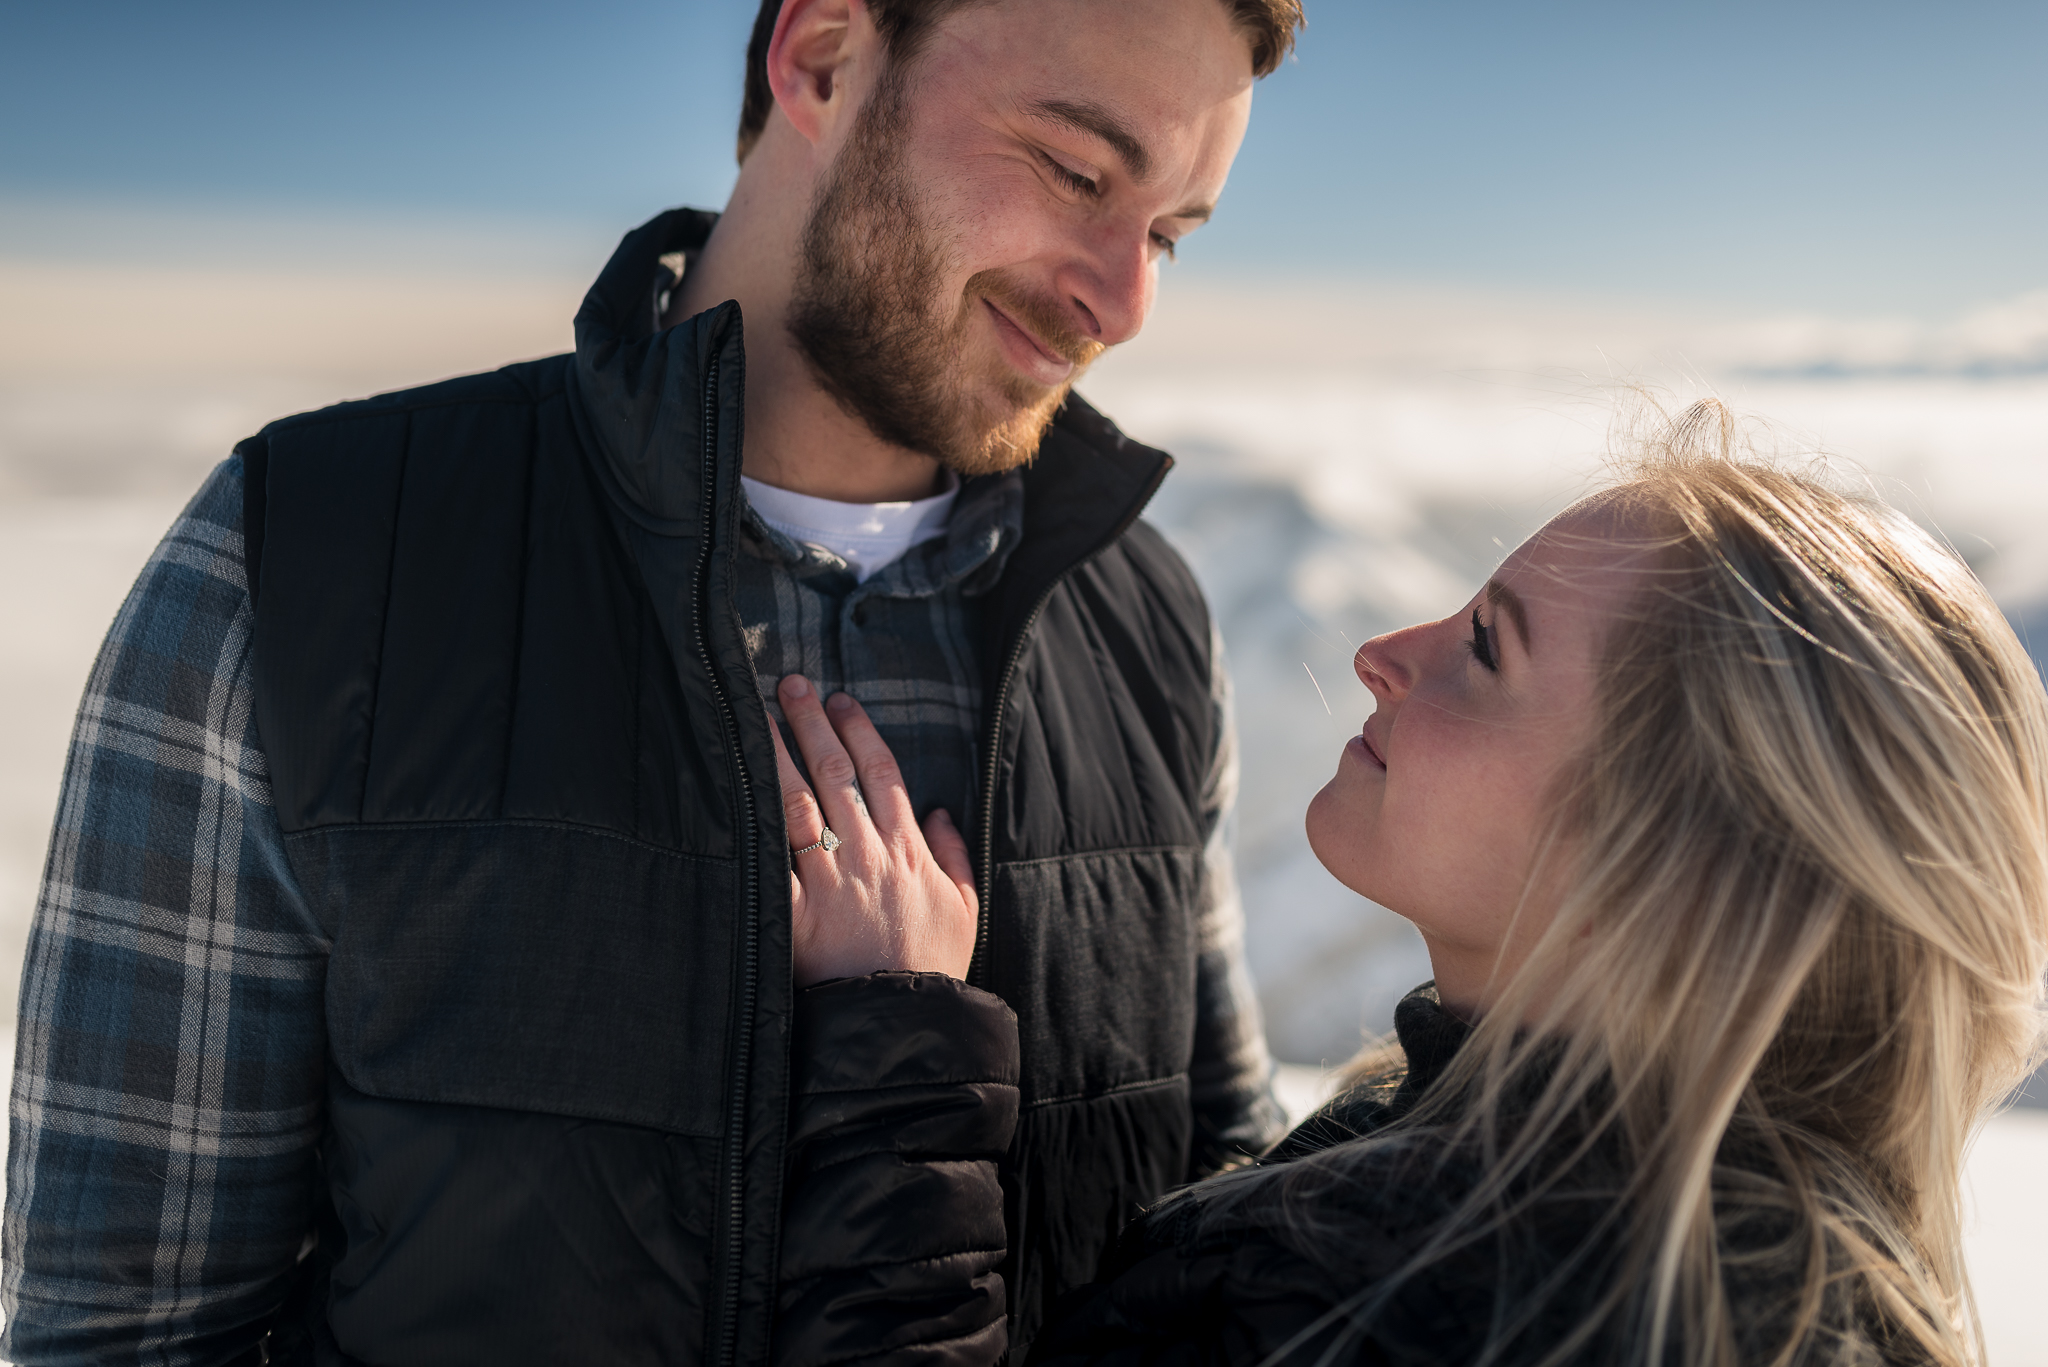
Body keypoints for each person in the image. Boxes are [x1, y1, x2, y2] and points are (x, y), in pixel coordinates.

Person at [2, 0, 1305, 1361]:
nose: (1126, 298)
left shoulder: (1144, 618)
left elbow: (1212, 1222)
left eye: (1167, 234)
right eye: (1078, 173)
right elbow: (126, 1332)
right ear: (820, 59)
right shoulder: (311, 555)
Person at [766, 406, 2048, 1365]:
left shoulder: (1376, 1307)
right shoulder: (1787, 1283)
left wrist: (896, 1071)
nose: (1383, 652)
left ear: (1656, 861)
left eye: (1483, 648)